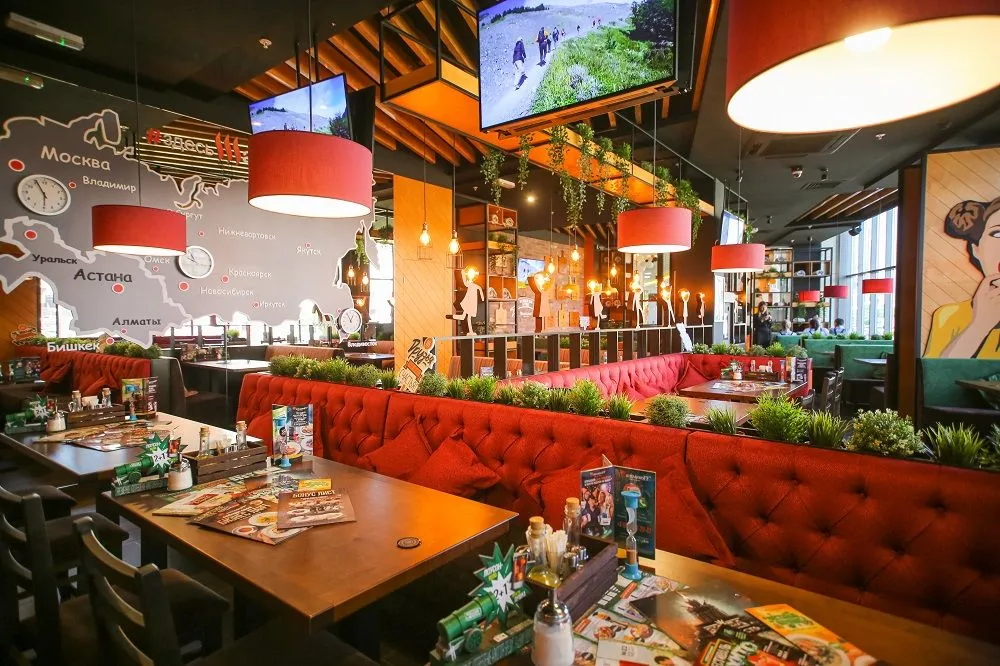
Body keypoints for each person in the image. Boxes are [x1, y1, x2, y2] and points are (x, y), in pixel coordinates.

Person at [925, 196, 1000, 358]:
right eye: (998, 233)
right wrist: (979, 326)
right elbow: (936, 372)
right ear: (976, 249)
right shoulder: (950, 316)